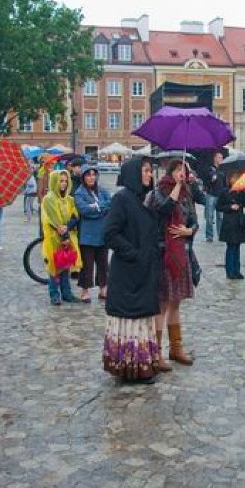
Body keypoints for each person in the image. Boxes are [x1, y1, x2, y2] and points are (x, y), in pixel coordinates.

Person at [103, 157, 170, 384]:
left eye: (151, 171)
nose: (150, 175)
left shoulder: (146, 199)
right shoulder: (121, 199)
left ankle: (141, 365)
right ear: (134, 173)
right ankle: (128, 367)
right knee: (129, 320)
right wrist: (134, 254)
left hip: (144, 270)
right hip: (128, 271)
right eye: (146, 171)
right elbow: (111, 233)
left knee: (142, 319)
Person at [146, 159, 197, 369]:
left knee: (176, 302)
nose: (181, 174)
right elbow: (164, 210)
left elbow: (194, 220)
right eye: (177, 171)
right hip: (163, 253)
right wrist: (177, 187)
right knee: (163, 303)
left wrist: (190, 230)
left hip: (181, 253)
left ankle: (176, 348)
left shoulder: (187, 193)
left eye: (183, 171)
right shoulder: (158, 192)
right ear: (170, 172)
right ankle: (156, 352)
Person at [41, 170, 81, 305]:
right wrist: (62, 233)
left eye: (65, 181)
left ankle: (67, 293)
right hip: (53, 238)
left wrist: (67, 227)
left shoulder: (69, 199)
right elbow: (52, 219)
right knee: (54, 266)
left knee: (66, 264)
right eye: (60, 181)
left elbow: (75, 216)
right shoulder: (49, 199)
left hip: (67, 235)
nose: (63, 184)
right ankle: (54, 294)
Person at [74, 164, 111, 303]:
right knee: (87, 264)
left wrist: (95, 207)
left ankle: (103, 288)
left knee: (103, 263)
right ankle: (85, 290)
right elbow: (83, 210)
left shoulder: (102, 191)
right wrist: (100, 210)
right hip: (87, 235)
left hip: (102, 233)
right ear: (83, 177)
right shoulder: (79, 192)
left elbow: (110, 204)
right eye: (88, 175)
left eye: (93, 174)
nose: (91, 177)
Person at [217, 174, 245, 279]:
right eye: (234, 177)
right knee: (231, 247)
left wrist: (244, 191)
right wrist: (230, 207)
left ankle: (237, 270)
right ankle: (230, 271)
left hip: (239, 222)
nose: (236, 179)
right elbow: (218, 207)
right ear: (229, 179)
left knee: (237, 247)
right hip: (229, 222)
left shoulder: (241, 191)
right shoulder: (225, 192)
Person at [203, 151, 225, 242]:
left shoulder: (223, 170)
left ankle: (220, 234)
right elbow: (207, 181)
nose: (221, 159)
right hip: (211, 195)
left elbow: (224, 183)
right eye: (219, 158)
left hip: (220, 195)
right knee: (209, 217)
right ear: (215, 158)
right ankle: (209, 236)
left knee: (220, 217)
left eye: (222, 158)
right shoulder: (210, 169)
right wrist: (212, 179)